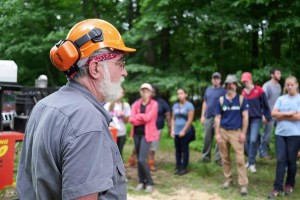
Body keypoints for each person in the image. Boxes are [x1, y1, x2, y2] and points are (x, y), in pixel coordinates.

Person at [16, 19, 135, 200]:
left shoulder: (44, 105)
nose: (124, 72)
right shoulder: (86, 119)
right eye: (120, 63)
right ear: (95, 68)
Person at [214, 74, 249, 196]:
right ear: (225, 86)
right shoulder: (221, 100)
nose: (230, 86)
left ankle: (243, 185)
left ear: (236, 85)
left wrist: (243, 133)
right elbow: (217, 118)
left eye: (233, 84)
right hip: (223, 131)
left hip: (236, 132)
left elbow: (245, 117)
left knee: (240, 159)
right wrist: (217, 133)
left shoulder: (241, 99)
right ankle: (228, 180)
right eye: (228, 84)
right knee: (225, 158)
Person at [267, 76, 300, 199]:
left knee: (291, 160)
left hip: (295, 134)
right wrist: (288, 113)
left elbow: (298, 117)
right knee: (281, 160)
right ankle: (277, 188)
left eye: (291, 84)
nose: (289, 87)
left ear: (296, 85)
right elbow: (273, 114)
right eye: (287, 85)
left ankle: (289, 184)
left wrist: (282, 116)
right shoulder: (281, 99)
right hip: (280, 134)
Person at [129, 83, 159, 193]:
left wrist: (138, 117)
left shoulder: (154, 104)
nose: (144, 93)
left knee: (142, 159)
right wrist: (141, 117)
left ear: (151, 93)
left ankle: (150, 182)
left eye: (147, 91)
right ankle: (141, 181)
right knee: (138, 159)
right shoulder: (136, 104)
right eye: (143, 91)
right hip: (137, 134)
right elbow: (131, 119)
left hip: (147, 134)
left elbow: (149, 117)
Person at [241, 72, 272, 173]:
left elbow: (265, 104)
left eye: (246, 80)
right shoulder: (243, 92)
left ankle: (251, 163)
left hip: (256, 118)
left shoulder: (259, 90)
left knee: (254, 139)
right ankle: (250, 161)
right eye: (243, 81)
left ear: (250, 80)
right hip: (246, 119)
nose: (244, 82)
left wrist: (267, 116)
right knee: (248, 140)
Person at [200, 72, 226, 165]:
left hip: (218, 117)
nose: (215, 80)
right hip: (208, 116)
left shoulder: (223, 91)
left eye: (217, 78)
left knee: (219, 138)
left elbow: (224, 105)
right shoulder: (208, 90)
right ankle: (205, 157)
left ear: (220, 80)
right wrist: (202, 115)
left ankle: (218, 158)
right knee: (207, 137)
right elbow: (205, 103)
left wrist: (220, 117)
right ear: (212, 79)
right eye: (214, 78)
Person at [259, 68, 282, 159]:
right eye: (277, 73)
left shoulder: (279, 86)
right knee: (267, 134)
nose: (280, 75)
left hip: (277, 114)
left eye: (280, 73)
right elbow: (261, 101)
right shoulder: (267, 86)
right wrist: (263, 114)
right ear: (272, 75)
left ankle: (278, 151)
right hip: (268, 115)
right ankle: (262, 153)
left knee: (281, 132)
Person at [171, 88, 195, 176]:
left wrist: (184, 131)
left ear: (186, 94)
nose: (179, 95)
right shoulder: (175, 106)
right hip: (176, 130)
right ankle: (178, 166)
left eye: (181, 93)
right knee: (177, 150)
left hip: (185, 131)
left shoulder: (189, 106)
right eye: (178, 94)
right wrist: (172, 130)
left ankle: (184, 167)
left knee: (184, 149)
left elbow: (190, 119)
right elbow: (173, 119)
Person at [148, 85, 171, 171]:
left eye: (154, 92)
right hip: (145, 128)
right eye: (150, 91)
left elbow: (168, 114)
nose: (152, 93)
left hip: (157, 128)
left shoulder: (161, 103)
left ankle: (151, 163)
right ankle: (133, 160)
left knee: (153, 147)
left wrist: (170, 127)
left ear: (156, 93)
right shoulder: (146, 101)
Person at [104, 86, 131, 158]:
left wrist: (123, 115)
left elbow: (126, 121)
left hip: (122, 133)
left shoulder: (126, 105)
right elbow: (103, 120)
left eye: (121, 92)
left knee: (119, 152)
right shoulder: (108, 105)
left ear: (123, 94)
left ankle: (119, 169)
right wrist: (110, 125)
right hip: (111, 133)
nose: (119, 94)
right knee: (110, 153)